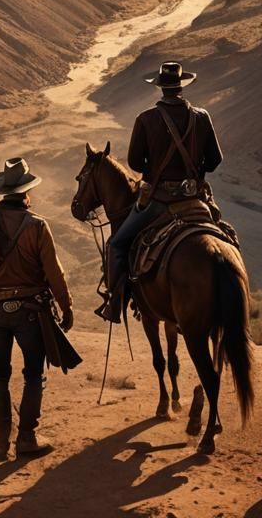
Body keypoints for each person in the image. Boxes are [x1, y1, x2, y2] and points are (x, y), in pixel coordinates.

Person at [0, 157, 75, 460]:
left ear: (3, 192)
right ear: (27, 194)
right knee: (33, 374)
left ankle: (0, 442)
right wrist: (67, 307)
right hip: (31, 313)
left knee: (0, 373)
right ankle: (27, 438)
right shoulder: (37, 226)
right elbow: (55, 274)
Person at [96, 61, 223, 324]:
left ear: (160, 88)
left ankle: (115, 302)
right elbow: (214, 160)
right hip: (194, 200)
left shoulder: (146, 119)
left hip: (159, 201)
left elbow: (134, 163)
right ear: (181, 85)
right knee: (227, 236)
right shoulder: (202, 117)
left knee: (117, 244)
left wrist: (155, 173)